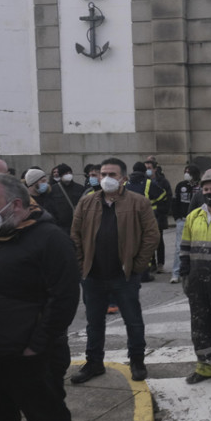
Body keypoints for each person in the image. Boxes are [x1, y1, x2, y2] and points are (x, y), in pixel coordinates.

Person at [0, 173, 81, 421]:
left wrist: (35, 347)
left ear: (16, 205)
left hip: (29, 359)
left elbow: (63, 300)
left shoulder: (51, 240)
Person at [70, 157, 159, 383]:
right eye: (103, 174)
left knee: (133, 320)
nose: (106, 179)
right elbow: (76, 235)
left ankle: (137, 360)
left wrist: (138, 265)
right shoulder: (87, 203)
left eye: (112, 175)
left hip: (125, 275)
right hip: (93, 275)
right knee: (94, 322)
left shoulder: (139, 202)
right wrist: (82, 265)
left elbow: (151, 235)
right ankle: (94, 363)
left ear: (124, 179)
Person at [179, 169, 211, 384]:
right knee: (199, 326)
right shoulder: (194, 216)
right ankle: (205, 366)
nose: (209, 193)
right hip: (197, 282)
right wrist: (185, 272)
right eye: (206, 189)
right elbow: (184, 247)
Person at [125, 162, 168, 282]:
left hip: (128, 219)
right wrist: (153, 206)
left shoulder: (125, 184)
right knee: (146, 245)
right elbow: (162, 195)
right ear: (144, 171)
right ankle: (144, 274)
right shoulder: (148, 183)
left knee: (132, 245)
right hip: (145, 219)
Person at [171, 164, 202, 284]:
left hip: (198, 220)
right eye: (185, 171)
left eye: (189, 172)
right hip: (183, 221)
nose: (186, 174)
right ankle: (176, 273)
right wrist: (177, 218)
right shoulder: (181, 186)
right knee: (179, 247)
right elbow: (175, 202)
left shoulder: (200, 186)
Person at [145, 159, 173, 274]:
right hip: (147, 216)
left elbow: (168, 197)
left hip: (159, 215)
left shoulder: (162, 181)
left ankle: (160, 263)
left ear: (155, 169)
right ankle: (152, 263)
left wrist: (164, 211)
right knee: (148, 240)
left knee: (159, 240)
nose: (147, 170)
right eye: (146, 168)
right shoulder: (145, 182)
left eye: (149, 168)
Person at [47, 163, 86, 233]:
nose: (68, 175)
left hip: (77, 225)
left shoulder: (80, 188)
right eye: (65, 173)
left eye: (70, 173)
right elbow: (50, 208)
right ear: (61, 175)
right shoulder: (53, 189)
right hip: (60, 227)